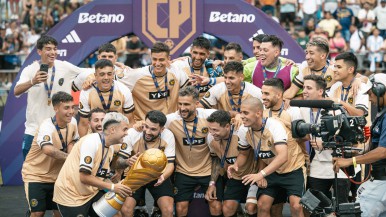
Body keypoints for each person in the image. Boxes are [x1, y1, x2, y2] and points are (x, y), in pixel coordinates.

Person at [14, 35, 92, 159]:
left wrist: (89, 78)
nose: (53, 52)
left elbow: (88, 72)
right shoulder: (30, 70)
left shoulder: (64, 66)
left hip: (60, 129)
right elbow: (16, 91)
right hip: (34, 129)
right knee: (30, 168)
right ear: (39, 51)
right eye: (48, 49)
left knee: (59, 170)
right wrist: (32, 81)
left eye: (55, 49)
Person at [231, 97, 304, 217]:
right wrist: (236, 164)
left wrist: (261, 174)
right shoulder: (244, 130)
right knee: (262, 205)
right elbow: (243, 154)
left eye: (246, 112)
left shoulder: (274, 125)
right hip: (272, 171)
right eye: (241, 112)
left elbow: (283, 156)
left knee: (296, 206)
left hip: (292, 169)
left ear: (258, 113)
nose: (242, 116)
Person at [53, 112, 132, 217]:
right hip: (71, 196)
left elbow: (103, 173)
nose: (127, 133)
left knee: (115, 215)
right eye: (124, 129)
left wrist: (126, 165)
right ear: (112, 130)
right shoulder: (91, 142)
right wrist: (113, 187)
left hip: (90, 193)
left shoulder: (110, 147)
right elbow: (84, 178)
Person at [333, 73, 386, 217]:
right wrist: (353, 152)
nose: (369, 98)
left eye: (370, 94)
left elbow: (382, 152)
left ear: (380, 90)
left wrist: (350, 161)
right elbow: (374, 146)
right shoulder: (382, 114)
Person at [22, 91, 78, 217]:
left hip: (58, 178)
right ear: (56, 108)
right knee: (38, 213)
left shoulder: (73, 122)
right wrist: (70, 158)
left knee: (60, 213)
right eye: (66, 108)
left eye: (72, 107)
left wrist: (70, 147)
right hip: (36, 175)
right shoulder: (46, 126)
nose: (71, 111)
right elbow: (48, 149)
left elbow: (74, 139)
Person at [299, 74, 352, 209]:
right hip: (317, 166)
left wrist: (328, 142)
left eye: (309, 88)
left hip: (340, 165)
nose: (304, 91)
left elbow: (350, 138)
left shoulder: (336, 110)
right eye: (304, 87)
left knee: (342, 208)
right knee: (314, 208)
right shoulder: (301, 109)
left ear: (320, 91)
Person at [164, 86, 216, 216]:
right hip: (183, 171)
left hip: (207, 170)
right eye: (180, 104)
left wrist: (237, 116)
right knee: (181, 208)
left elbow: (229, 115)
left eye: (186, 104)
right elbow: (153, 123)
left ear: (197, 103)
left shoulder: (209, 116)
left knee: (216, 207)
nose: (182, 108)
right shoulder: (170, 119)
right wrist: (139, 124)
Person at [116, 110, 175, 217]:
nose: (147, 131)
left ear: (162, 129)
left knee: (169, 210)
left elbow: (170, 164)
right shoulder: (132, 133)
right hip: (135, 174)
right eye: (146, 126)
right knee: (126, 210)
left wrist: (163, 176)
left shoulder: (168, 135)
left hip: (157, 175)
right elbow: (119, 162)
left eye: (153, 129)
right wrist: (127, 161)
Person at [205, 110, 255, 217]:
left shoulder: (242, 132)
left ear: (227, 126)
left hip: (251, 175)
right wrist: (212, 183)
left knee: (252, 207)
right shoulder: (211, 138)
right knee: (227, 209)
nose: (212, 133)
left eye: (215, 130)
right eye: (210, 129)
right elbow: (216, 160)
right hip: (234, 177)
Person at [123, 42, 189, 121]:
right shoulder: (137, 75)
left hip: (169, 124)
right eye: (154, 59)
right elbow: (114, 81)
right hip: (144, 126)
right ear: (151, 57)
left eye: (161, 60)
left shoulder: (176, 72)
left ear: (168, 59)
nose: (157, 63)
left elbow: (190, 59)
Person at [78, 59, 135, 137]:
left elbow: (130, 121)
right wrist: (82, 144)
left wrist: (127, 142)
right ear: (95, 76)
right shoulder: (86, 92)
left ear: (113, 74)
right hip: (94, 136)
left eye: (109, 74)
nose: (106, 77)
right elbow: (83, 123)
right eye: (102, 74)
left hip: (117, 135)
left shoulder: (123, 90)